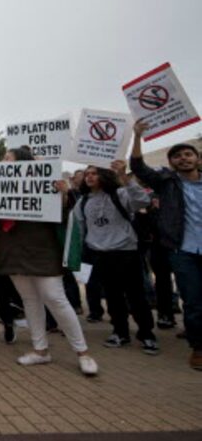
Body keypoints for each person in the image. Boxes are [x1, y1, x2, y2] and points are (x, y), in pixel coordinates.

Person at [0, 147, 98, 376]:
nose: (3, 162)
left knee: (55, 297)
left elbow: (65, 216)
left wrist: (64, 195)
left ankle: (83, 352)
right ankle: (40, 350)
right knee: (29, 299)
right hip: (13, 249)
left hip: (42, 250)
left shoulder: (47, 184)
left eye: (8, 158)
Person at [130, 120, 202, 370]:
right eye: (178, 156)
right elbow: (138, 167)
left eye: (188, 154)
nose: (184, 159)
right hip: (183, 250)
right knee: (192, 300)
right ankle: (198, 348)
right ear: (171, 163)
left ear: (197, 158)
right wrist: (137, 136)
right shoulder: (167, 182)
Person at [75, 161, 158, 355]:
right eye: (87, 173)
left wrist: (125, 178)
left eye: (94, 173)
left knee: (136, 295)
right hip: (101, 254)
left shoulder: (119, 194)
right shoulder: (83, 201)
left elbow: (143, 201)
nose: (89, 177)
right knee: (113, 297)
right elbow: (80, 227)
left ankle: (146, 334)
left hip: (125, 252)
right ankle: (120, 332)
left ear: (104, 175)